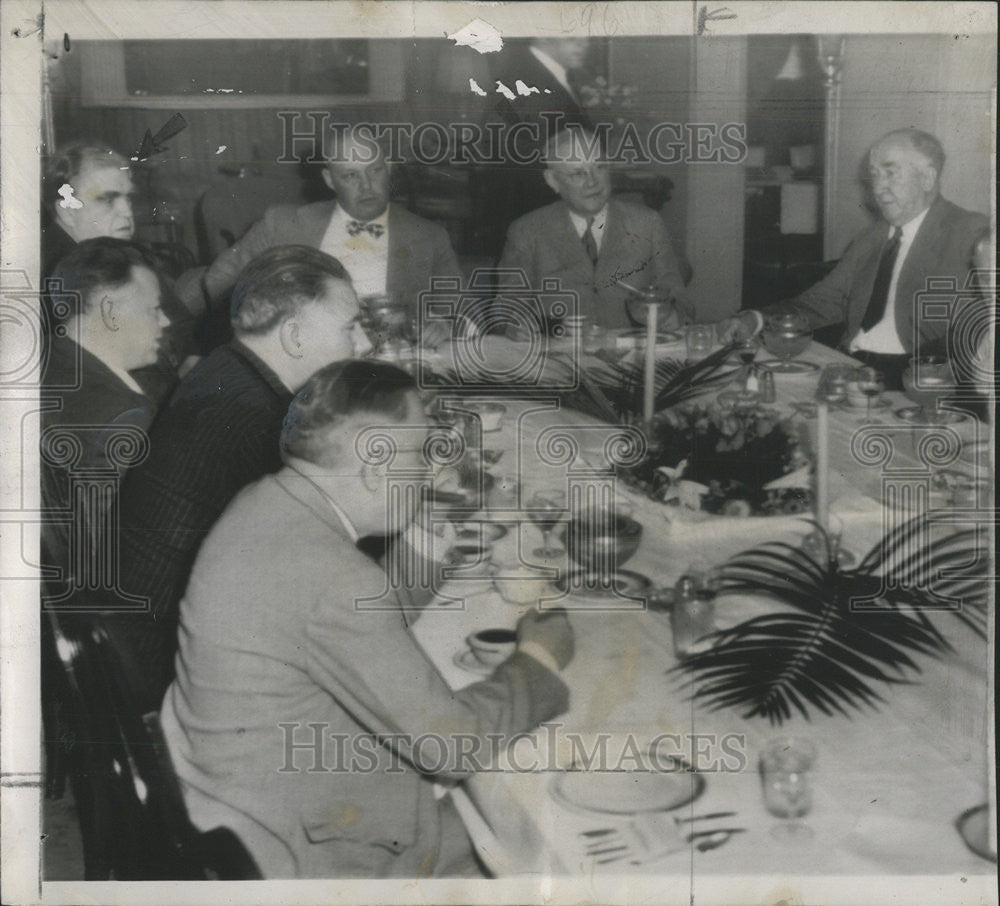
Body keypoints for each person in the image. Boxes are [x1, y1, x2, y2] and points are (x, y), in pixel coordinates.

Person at [160, 360, 574, 878]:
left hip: (229, 799)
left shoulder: (265, 501)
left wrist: (432, 524)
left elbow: (354, 620)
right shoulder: (332, 577)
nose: (430, 472)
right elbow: (452, 744)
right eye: (423, 455)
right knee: (550, 852)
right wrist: (539, 658)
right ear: (376, 469)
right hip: (295, 850)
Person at [116, 246, 371, 711]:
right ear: (294, 337)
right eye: (350, 327)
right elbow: (333, 568)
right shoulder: (264, 421)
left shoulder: (223, 368)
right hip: (170, 670)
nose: (364, 345)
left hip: (133, 636)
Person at [716, 129, 990, 388]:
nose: (878, 188)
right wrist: (755, 318)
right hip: (850, 366)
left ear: (928, 178)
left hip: (916, 380)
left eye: (890, 173)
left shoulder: (972, 235)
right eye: (874, 175)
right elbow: (823, 302)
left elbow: (983, 325)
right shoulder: (870, 239)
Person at [191, 129, 460, 341]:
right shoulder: (284, 224)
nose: (367, 186)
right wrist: (263, 331)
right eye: (350, 176)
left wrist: (444, 325)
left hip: (390, 367)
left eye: (375, 171)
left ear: (389, 168)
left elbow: (462, 312)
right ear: (330, 180)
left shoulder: (429, 236)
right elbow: (221, 279)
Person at [41, 238, 169, 585]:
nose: (166, 321)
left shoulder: (45, 360)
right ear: (110, 314)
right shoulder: (127, 416)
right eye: (153, 309)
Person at [42, 141, 198, 399]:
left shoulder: (117, 253)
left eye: (127, 198)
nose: (127, 212)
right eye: (108, 200)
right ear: (68, 210)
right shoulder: (52, 273)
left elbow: (182, 325)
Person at [498, 126, 692, 332]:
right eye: (578, 173)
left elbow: (679, 298)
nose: (592, 182)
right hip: (559, 354)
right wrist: (520, 326)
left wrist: (675, 315)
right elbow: (506, 309)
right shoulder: (527, 231)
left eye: (599, 167)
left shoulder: (647, 223)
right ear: (552, 180)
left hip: (632, 354)